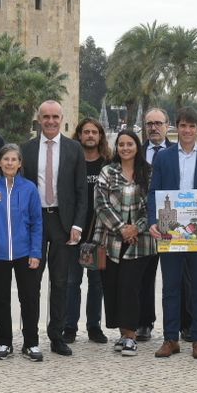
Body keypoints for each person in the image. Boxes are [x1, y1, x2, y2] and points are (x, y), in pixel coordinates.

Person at [146, 107, 197, 360]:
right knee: (170, 286)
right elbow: (153, 193)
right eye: (183, 126)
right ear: (176, 128)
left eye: (192, 126)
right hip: (169, 230)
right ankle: (170, 338)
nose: (188, 130)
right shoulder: (164, 158)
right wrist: (152, 221)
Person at [21, 100, 89, 357]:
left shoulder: (74, 149)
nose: (50, 121)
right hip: (35, 222)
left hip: (63, 222)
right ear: (39, 119)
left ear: (62, 118)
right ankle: (30, 337)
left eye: (55, 117)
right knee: (32, 282)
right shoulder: (26, 150)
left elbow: (82, 191)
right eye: (46, 117)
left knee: (61, 282)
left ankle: (57, 336)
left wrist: (77, 225)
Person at [0, 144, 44, 361]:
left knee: (29, 298)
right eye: (5, 159)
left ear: (20, 163)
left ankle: (31, 343)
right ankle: (5, 342)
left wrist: (36, 252)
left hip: (25, 252)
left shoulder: (30, 189)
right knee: (1, 299)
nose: (9, 163)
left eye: (14, 159)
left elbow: (36, 222)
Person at [94, 129, 157, 356]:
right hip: (111, 239)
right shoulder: (107, 172)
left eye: (130, 144)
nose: (125, 148)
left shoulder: (148, 172)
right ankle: (122, 334)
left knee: (131, 287)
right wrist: (122, 228)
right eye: (121, 144)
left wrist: (136, 228)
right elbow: (101, 204)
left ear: (137, 146)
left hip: (141, 241)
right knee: (113, 287)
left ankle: (131, 336)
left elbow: (152, 204)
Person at [66, 116, 111, 345]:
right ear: (79, 135)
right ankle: (69, 327)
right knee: (72, 282)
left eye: (94, 132)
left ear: (100, 136)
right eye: (86, 132)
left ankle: (94, 326)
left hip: (101, 233)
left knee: (97, 283)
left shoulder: (108, 164)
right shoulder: (72, 161)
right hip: (74, 232)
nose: (90, 135)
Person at [135, 107, 172, 341]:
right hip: (144, 223)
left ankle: (182, 324)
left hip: (172, 222)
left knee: (176, 276)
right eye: (149, 123)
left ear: (167, 125)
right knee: (144, 277)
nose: (154, 128)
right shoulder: (136, 153)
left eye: (158, 123)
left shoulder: (177, 152)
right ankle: (144, 323)